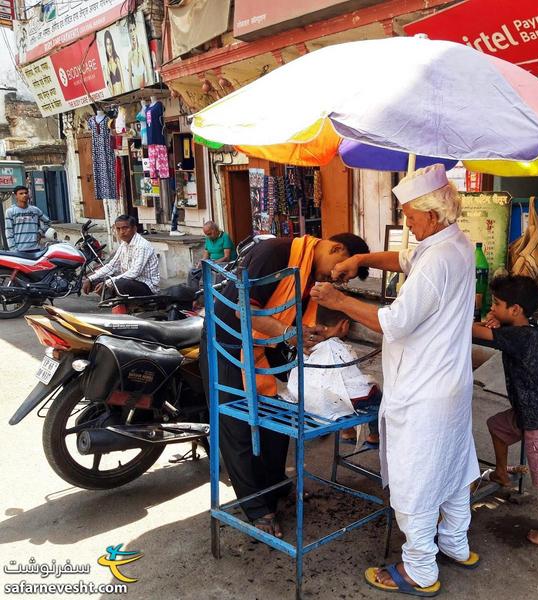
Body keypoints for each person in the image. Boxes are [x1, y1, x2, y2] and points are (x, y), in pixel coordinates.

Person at [311, 164, 480, 596]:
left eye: (410, 216)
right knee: (453, 465)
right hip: (449, 385)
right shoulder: (453, 243)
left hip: (425, 389)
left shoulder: (439, 258)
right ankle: (455, 543)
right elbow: (403, 258)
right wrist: (362, 259)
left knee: (417, 477)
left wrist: (339, 300)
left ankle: (421, 568)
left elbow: (395, 322)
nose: (406, 223)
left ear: (433, 213)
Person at [199, 232, 370, 539]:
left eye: (342, 280)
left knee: (279, 420)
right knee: (237, 427)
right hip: (226, 343)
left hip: (266, 345)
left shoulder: (307, 275)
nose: (335, 280)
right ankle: (257, 508)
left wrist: (315, 334)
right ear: (336, 248)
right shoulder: (275, 253)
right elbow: (244, 310)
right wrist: (288, 333)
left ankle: (275, 488)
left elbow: (291, 321)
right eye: (339, 272)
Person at [472, 275, 538, 552]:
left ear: (515, 310)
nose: (493, 308)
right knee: (496, 426)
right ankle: (501, 473)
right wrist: (496, 321)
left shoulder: (518, 337)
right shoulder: (527, 329)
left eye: (497, 304)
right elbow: (495, 334)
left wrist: (464, 315)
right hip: (527, 413)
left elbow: (475, 332)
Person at [286, 305, 381, 445]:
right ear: (344, 325)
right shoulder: (337, 346)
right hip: (331, 398)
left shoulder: (307, 343)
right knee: (377, 397)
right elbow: (351, 376)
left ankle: (348, 431)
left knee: (341, 393)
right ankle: (375, 436)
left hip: (305, 397)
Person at [82, 215, 160, 305]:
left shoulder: (142, 246)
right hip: (130, 282)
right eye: (118, 229)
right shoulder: (124, 244)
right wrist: (90, 279)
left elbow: (134, 272)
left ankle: (119, 303)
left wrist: (108, 283)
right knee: (95, 282)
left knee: (118, 284)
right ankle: (117, 304)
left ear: (134, 229)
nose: (121, 232)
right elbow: (112, 266)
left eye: (125, 228)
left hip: (147, 286)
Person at [4, 185, 50, 252]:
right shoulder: (10, 211)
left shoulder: (35, 210)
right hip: (19, 250)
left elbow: (48, 222)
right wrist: (13, 249)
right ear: (15, 196)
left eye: (26, 193)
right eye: (21, 193)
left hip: (35, 248)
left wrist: (40, 232)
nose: (24, 195)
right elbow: (9, 232)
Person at [104, 31, 128, 95]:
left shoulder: (117, 59)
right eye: (107, 44)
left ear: (112, 45)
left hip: (122, 93)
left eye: (110, 44)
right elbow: (109, 85)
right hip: (115, 95)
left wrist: (124, 91)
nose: (109, 47)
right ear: (105, 46)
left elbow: (122, 79)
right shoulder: (107, 65)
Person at [127, 17, 148, 89]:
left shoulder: (142, 48)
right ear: (129, 33)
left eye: (133, 29)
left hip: (146, 85)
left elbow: (148, 68)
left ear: (136, 30)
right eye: (130, 31)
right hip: (136, 88)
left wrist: (148, 83)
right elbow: (129, 78)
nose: (132, 33)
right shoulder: (129, 54)